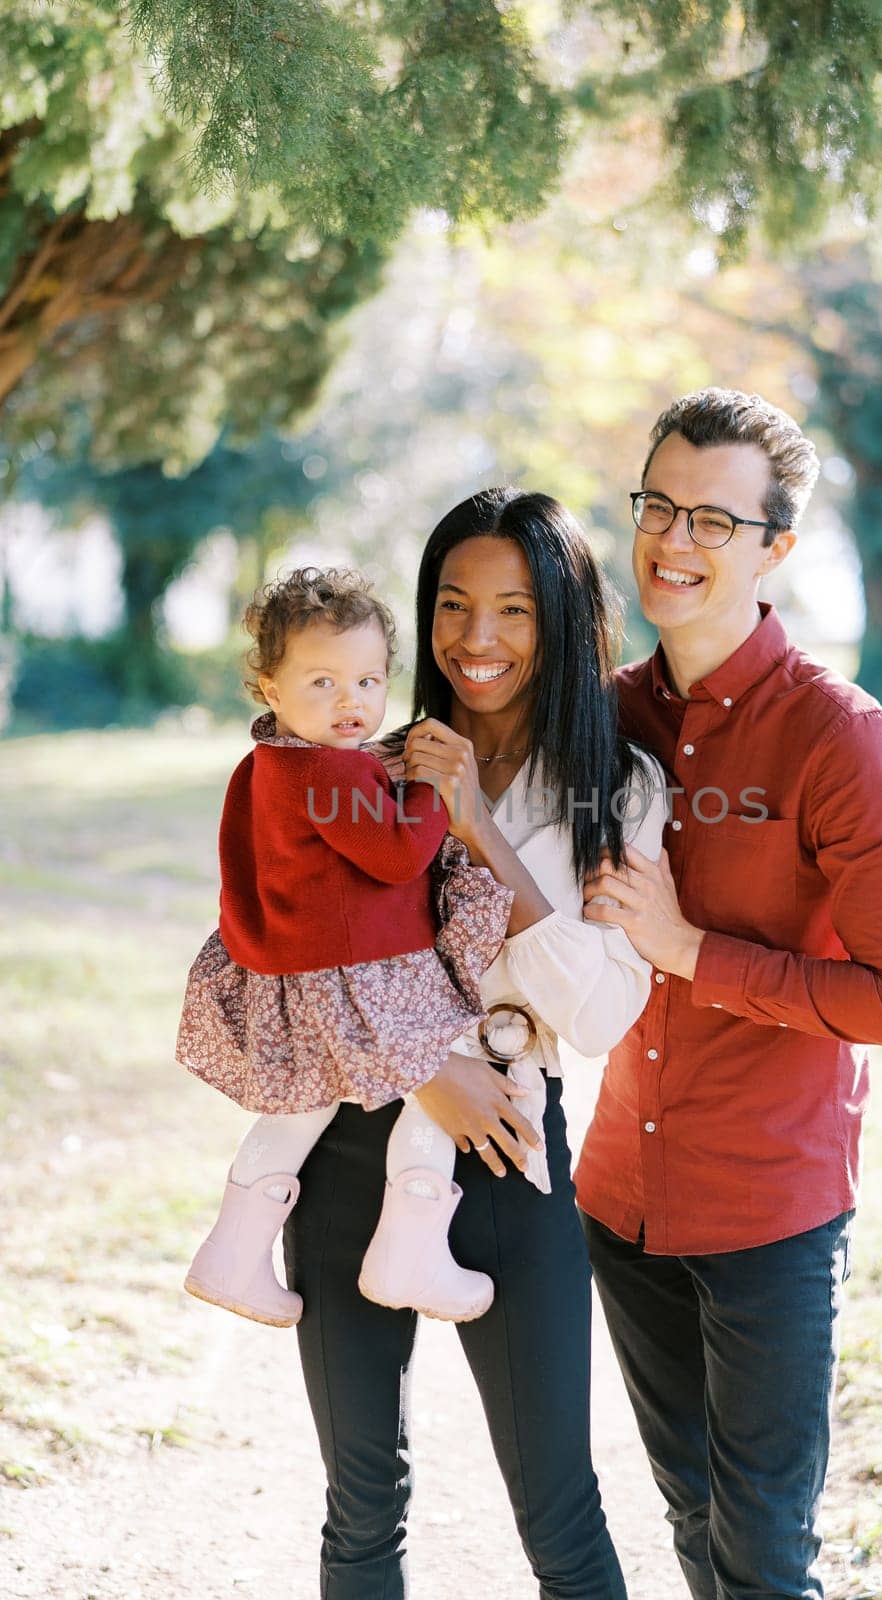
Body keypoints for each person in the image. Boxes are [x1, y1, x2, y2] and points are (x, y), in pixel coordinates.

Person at [577, 388, 882, 1600]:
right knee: (691, 1514)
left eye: (713, 521)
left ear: (773, 547)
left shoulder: (839, 737)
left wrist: (690, 950)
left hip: (770, 1211)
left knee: (766, 1548)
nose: (673, 542)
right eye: (658, 506)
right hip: (618, 1200)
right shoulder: (604, 715)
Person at [282, 488, 670, 1600]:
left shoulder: (620, 793)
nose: (478, 639)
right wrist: (418, 1066)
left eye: (512, 610)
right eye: (453, 605)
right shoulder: (353, 760)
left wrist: (475, 829)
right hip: (350, 1142)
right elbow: (280, 964)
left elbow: (597, 1017)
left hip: (510, 1146)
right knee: (362, 1502)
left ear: (561, 620)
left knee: (557, 1504)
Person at [177, 566, 516, 1329]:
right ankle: (410, 1254)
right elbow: (398, 856)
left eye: (367, 681)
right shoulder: (327, 771)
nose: (350, 702)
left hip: (309, 973)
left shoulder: (272, 763)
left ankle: (232, 1252)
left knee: (304, 1106)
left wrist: (385, 771)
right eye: (322, 682)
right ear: (269, 688)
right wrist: (433, 791)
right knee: (439, 1080)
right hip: (368, 975)